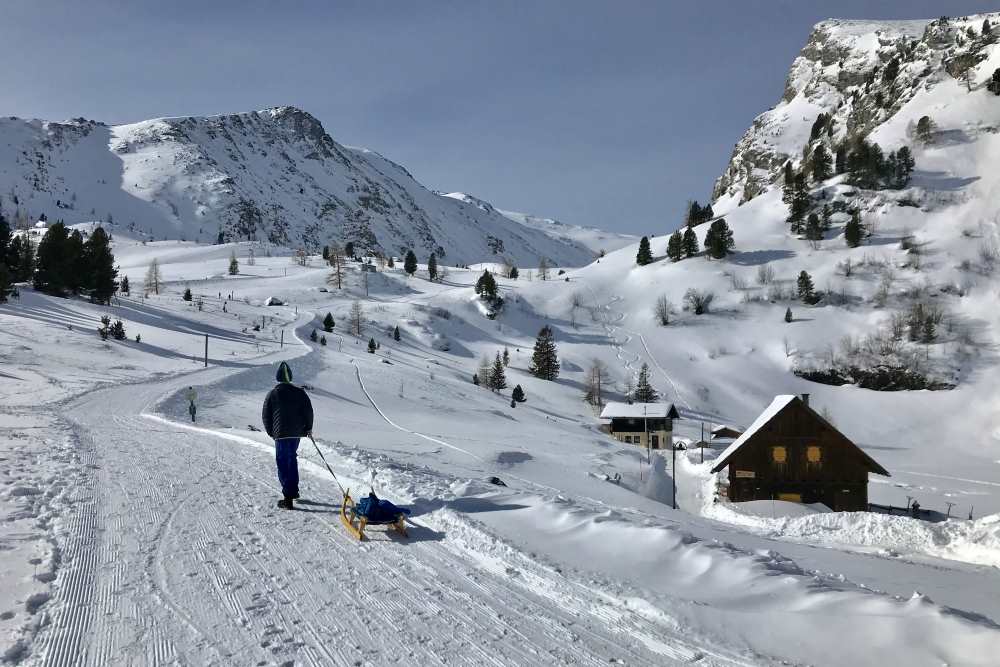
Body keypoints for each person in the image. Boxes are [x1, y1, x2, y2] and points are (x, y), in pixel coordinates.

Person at [261, 361, 314, 510]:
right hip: (296, 433)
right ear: (290, 377)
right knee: (291, 459)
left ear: (278, 378)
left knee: (283, 462)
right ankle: (293, 490)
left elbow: (266, 415)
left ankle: (288, 498)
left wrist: (271, 432)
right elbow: (308, 412)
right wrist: (308, 428)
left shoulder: (272, 393)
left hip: (281, 434)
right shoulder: (300, 392)